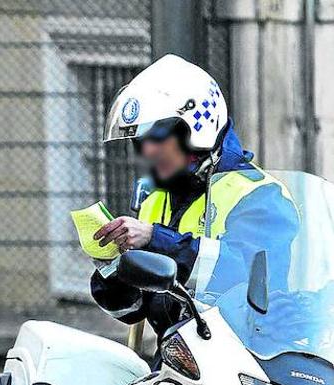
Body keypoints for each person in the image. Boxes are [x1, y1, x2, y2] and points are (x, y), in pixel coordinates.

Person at [90, 55, 299, 362]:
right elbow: (133, 311)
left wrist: (155, 240)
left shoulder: (260, 196)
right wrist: (113, 270)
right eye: (140, 140)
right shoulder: (155, 200)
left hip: (249, 365)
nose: (147, 150)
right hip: (179, 365)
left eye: (158, 135)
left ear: (196, 130)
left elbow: (244, 274)